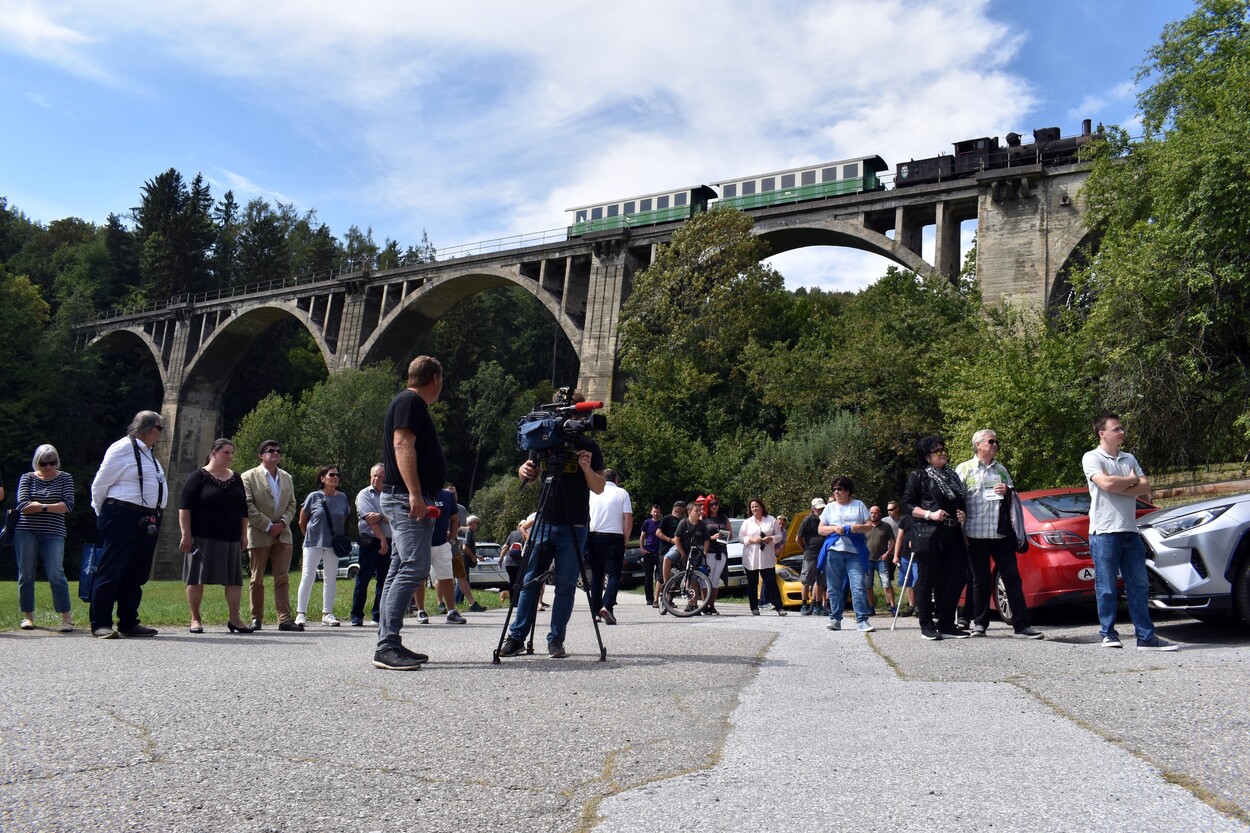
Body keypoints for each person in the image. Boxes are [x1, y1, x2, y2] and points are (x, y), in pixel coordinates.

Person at [499, 390, 605, 659]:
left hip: (575, 523)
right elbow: (530, 473)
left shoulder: (589, 446)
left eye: (575, 413)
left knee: (566, 584)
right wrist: (524, 471)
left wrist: (586, 469)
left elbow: (599, 487)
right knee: (529, 580)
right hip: (546, 517)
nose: (572, 417)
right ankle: (516, 637)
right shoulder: (544, 438)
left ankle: (556, 640)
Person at [373, 355, 447, 670]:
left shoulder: (409, 403)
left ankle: (389, 641)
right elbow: (403, 445)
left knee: (399, 567)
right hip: (406, 498)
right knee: (415, 566)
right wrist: (415, 494)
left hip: (405, 497)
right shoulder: (410, 402)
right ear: (435, 379)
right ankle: (386, 646)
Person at [1082, 413, 1177, 651]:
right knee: (1106, 586)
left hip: (1130, 531)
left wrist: (1119, 485)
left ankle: (1146, 637)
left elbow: (1145, 487)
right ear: (1102, 433)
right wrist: (1129, 483)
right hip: (1104, 532)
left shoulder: (1129, 457)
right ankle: (1108, 634)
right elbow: (1105, 485)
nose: (1121, 432)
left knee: (1139, 585)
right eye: (1116, 429)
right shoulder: (1092, 457)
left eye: (1122, 428)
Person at [956, 429, 1043, 639]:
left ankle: (1021, 626)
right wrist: (960, 531)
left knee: (1012, 579)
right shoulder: (964, 469)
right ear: (978, 445)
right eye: (991, 441)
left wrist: (1008, 490)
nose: (995, 445)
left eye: (997, 442)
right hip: (975, 534)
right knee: (980, 580)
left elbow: (1013, 500)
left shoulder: (1001, 469)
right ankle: (980, 625)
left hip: (1001, 534)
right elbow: (956, 500)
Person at [89, 410, 168, 639]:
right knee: (111, 570)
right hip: (122, 515)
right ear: (148, 428)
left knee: (136, 574)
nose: (162, 434)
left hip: (146, 519)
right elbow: (100, 484)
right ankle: (101, 623)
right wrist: (103, 514)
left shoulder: (148, 453)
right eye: (160, 428)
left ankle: (128, 622)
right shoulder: (122, 448)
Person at [178, 438, 251, 634]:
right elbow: (184, 508)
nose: (230, 456)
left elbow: (243, 510)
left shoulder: (236, 479)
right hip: (201, 537)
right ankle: (195, 619)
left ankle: (235, 619)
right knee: (196, 578)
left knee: (234, 580)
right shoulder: (198, 477)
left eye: (232, 453)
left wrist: (244, 535)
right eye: (226, 452)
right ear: (214, 453)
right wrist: (186, 535)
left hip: (231, 537)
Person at [902, 435, 969, 641]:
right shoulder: (919, 475)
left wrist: (962, 513)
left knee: (959, 576)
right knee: (926, 579)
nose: (944, 454)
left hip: (952, 532)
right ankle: (926, 625)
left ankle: (947, 623)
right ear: (927, 456)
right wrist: (929, 514)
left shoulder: (952, 476)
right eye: (938, 451)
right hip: (929, 532)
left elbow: (960, 501)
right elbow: (906, 505)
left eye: (944, 449)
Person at [13, 444, 75, 632]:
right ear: (36, 463)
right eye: (43, 463)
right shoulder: (27, 478)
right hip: (26, 531)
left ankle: (66, 618)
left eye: (52, 463)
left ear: (57, 462)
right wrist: (52, 506)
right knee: (26, 574)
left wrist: (40, 506)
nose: (48, 467)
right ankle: (28, 616)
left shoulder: (65, 478)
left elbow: (68, 505)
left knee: (56, 573)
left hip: (54, 532)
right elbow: (23, 505)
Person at [242, 440, 300, 631]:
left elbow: (292, 504)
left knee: (282, 578)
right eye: (270, 451)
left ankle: (284, 619)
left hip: (283, 534)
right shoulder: (249, 476)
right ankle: (256, 618)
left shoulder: (287, 477)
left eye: (278, 451)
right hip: (260, 533)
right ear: (261, 455)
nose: (275, 453)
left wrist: (282, 523)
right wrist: (267, 525)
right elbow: (247, 505)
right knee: (256, 578)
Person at [296, 466, 350, 627]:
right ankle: (301, 614)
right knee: (308, 576)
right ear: (322, 478)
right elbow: (302, 521)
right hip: (313, 542)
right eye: (331, 474)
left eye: (337, 475)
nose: (335, 477)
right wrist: (308, 536)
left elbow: (343, 519)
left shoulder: (343, 498)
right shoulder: (314, 496)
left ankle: (327, 613)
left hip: (333, 543)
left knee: (330, 578)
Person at [818, 477, 874, 632]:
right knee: (834, 588)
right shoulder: (829, 508)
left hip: (854, 552)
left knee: (858, 586)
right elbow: (820, 529)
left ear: (848, 491)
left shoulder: (859, 505)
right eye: (834, 489)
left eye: (839, 489)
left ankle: (862, 620)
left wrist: (857, 528)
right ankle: (835, 619)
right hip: (834, 551)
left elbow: (869, 526)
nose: (836, 492)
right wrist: (834, 529)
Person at [587, 468, 633, 624]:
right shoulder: (622, 493)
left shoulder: (593, 492)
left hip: (594, 535)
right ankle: (608, 606)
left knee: (597, 575)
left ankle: (596, 612)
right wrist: (625, 540)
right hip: (614, 536)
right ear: (617, 479)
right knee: (614, 574)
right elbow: (628, 518)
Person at [351, 463, 391, 627]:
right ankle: (356, 616)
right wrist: (381, 538)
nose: (376, 479)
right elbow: (369, 519)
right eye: (374, 475)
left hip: (389, 542)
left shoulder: (391, 494)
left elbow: (397, 516)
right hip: (370, 542)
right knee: (363, 578)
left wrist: (381, 516)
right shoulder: (364, 494)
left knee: (384, 580)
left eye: (380, 476)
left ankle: (378, 615)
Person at [415, 487, 461, 624]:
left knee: (447, 577)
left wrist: (452, 540)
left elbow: (454, 519)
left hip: (442, 544)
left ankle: (451, 612)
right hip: (421, 542)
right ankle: (420, 611)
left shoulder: (448, 496)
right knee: (419, 578)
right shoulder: (418, 492)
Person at [740, 497, 787, 616]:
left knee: (771, 583)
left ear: (762, 507)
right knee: (752, 583)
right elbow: (741, 537)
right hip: (751, 557)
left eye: (756, 506)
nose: (755, 509)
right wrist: (751, 539)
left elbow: (779, 536)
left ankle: (779, 607)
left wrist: (771, 538)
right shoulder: (747, 522)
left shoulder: (771, 520)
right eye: (752, 507)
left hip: (766, 557)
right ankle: (754, 607)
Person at [672, 498, 713, 612]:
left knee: (692, 577)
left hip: (696, 553)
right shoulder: (683, 523)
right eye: (697, 510)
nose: (699, 512)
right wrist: (681, 552)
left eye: (700, 510)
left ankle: (693, 604)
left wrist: (704, 552)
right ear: (689, 512)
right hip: (684, 551)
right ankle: (666, 582)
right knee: (669, 559)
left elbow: (706, 540)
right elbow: (677, 538)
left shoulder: (702, 525)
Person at [864, 505, 897, 615]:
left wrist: (887, 553)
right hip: (867, 560)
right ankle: (871, 607)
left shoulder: (886, 526)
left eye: (875, 513)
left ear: (880, 514)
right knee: (868, 585)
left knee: (886, 584)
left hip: (881, 560)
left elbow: (893, 541)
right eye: (871, 512)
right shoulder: (865, 526)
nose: (873, 515)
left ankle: (893, 607)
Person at [700, 494, 730, 616]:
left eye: (716, 503)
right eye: (711, 504)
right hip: (709, 551)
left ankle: (712, 605)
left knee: (715, 579)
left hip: (721, 551)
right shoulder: (704, 518)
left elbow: (731, 535)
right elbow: (699, 535)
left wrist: (722, 536)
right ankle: (704, 605)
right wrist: (711, 537)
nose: (714, 506)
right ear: (707, 505)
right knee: (706, 579)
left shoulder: (723, 518)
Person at [796, 498, 825, 616]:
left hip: (823, 555)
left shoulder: (826, 519)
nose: (821, 510)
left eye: (822, 508)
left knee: (820, 581)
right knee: (806, 581)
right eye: (818, 508)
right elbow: (798, 538)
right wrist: (805, 550)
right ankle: (804, 605)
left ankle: (818, 606)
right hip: (810, 554)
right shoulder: (808, 520)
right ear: (813, 509)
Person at [656, 500, 687, 611]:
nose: (682, 510)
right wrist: (670, 540)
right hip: (665, 549)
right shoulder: (667, 518)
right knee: (662, 576)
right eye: (680, 508)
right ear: (675, 508)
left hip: (678, 549)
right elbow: (658, 532)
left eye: (683, 508)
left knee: (675, 575)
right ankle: (657, 599)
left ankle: (669, 599)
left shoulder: (683, 521)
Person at [639, 504, 663, 607]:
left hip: (659, 552)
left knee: (660, 576)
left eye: (657, 511)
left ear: (660, 512)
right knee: (648, 577)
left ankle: (659, 596)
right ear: (651, 512)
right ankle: (649, 598)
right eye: (654, 511)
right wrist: (641, 548)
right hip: (648, 552)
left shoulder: (662, 522)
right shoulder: (647, 522)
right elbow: (642, 536)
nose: (656, 513)